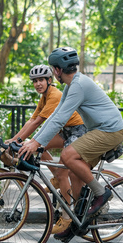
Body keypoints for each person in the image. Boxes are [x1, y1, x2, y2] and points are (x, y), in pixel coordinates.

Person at [19, 47, 123, 242]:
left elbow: (60, 119)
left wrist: (36, 143)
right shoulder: (71, 86)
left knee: (68, 155)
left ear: (58, 70)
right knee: (75, 171)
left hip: (110, 131)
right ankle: (79, 219)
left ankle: (101, 194)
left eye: (53, 69)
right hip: (99, 130)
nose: (53, 72)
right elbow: (54, 117)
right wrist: (35, 141)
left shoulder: (78, 85)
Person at [6, 64, 87, 234]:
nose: (38, 84)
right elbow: (31, 120)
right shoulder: (44, 97)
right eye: (35, 81)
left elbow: (37, 123)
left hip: (78, 130)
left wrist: (20, 140)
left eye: (41, 80)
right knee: (37, 147)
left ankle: (66, 217)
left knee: (63, 171)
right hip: (65, 131)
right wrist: (14, 140)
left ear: (49, 80)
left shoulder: (54, 95)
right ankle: (57, 177)